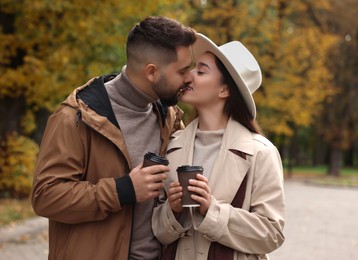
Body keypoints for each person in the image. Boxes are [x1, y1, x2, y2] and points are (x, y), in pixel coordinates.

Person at [31, 16, 197, 260]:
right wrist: (124, 189)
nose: (189, 78)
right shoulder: (75, 118)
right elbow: (46, 197)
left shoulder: (169, 118)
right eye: (182, 70)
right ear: (151, 72)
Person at [152, 33, 285, 260]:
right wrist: (171, 212)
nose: (188, 76)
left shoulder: (261, 152)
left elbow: (272, 233)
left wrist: (211, 210)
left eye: (201, 71)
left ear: (224, 90)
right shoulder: (171, 145)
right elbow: (157, 232)